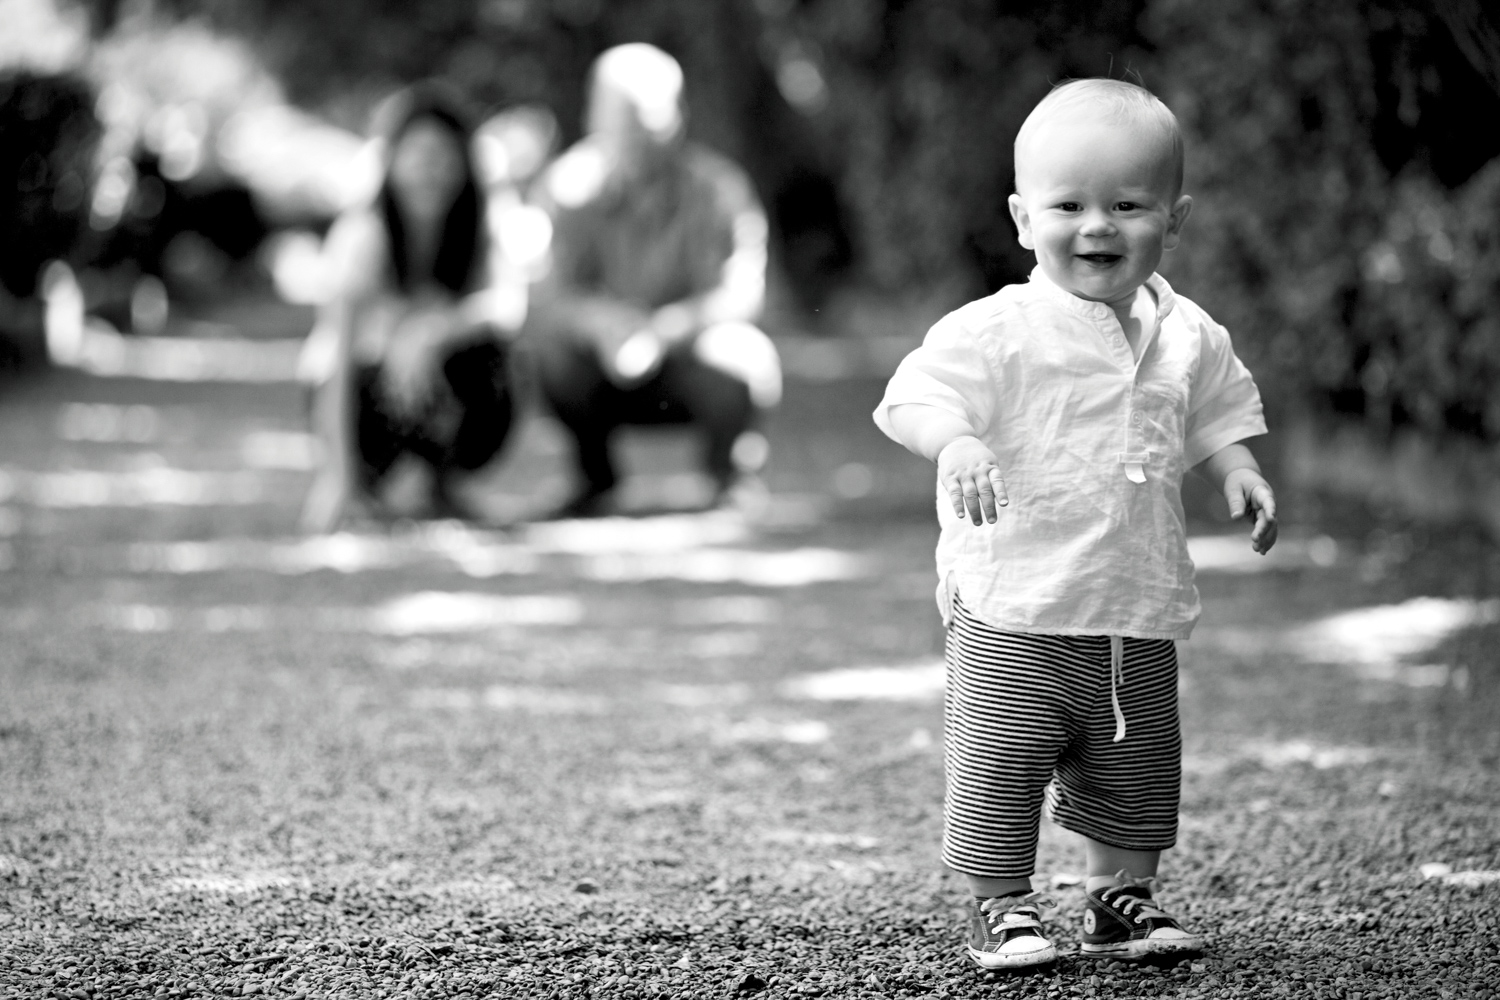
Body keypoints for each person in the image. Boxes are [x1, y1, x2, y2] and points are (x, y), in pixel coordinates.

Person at [873, 79, 1277, 969]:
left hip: (1131, 605)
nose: (1097, 225)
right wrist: (954, 446)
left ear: (1172, 222)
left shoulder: (1188, 332)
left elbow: (1216, 408)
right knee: (999, 767)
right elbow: (915, 395)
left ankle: (1118, 895)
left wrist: (1239, 468)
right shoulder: (998, 329)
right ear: (1023, 219)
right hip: (1015, 605)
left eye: (1128, 205)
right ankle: (1002, 904)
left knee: (1134, 769)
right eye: (1070, 205)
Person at [528, 43, 781, 517]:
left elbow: (741, 293)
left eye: (647, 118)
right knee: (550, 353)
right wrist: (600, 322)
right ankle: (592, 479)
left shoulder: (719, 189)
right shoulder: (564, 190)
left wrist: (665, 329)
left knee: (747, 356)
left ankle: (726, 479)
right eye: (620, 119)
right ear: (591, 117)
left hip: (687, 354)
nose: (635, 135)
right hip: (596, 360)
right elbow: (545, 295)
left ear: (679, 115)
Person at [300, 83, 526, 531]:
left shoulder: (481, 226)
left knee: (494, 359)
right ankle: (370, 483)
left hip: (437, 381)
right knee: (364, 372)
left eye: (445, 155)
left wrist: (430, 332)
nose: (431, 169)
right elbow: (333, 360)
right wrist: (337, 479)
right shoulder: (364, 235)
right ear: (391, 162)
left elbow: (509, 305)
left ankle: (442, 482)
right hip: (363, 390)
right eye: (418, 154)